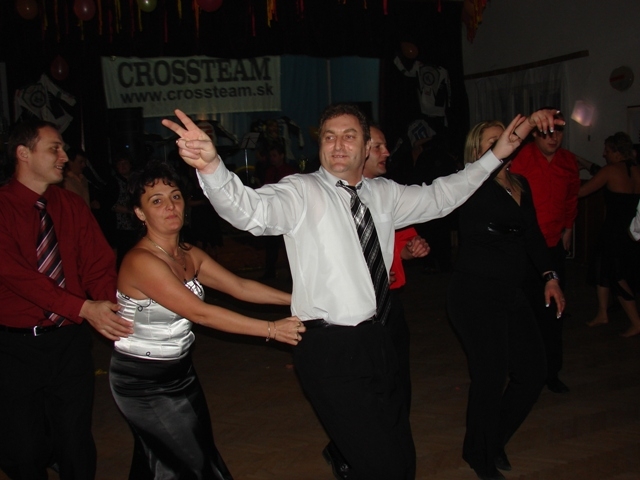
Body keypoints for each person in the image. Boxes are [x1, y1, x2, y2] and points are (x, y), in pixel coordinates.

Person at [162, 104, 556, 480]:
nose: (337, 145)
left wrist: (496, 155)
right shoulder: (300, 192)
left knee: (400, 459)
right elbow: (248, 210)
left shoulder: (383, 194)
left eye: (349, 136)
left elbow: (442, 195)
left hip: (378, 337)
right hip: (329, 348)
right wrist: (212, 167)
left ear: (366, 147)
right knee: (382, 465)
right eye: (329, 136)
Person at [110, 160, 303, 480]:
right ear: (140, 213)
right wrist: (271, 329)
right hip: (142, 381)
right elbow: (200, 313)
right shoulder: (141, 261)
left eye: (175, 196)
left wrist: (300, 301)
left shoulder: (188, 253)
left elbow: (240, 287)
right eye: (156, 201)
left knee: (162, 460)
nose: (170, 206)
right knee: (195, 464)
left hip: (180, 372)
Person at [0, 120, 133, 480]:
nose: (64, 156)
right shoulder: (3, 208)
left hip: (69, 342)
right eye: (54, 148)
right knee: (24, 449)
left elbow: (97, 265)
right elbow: (15, 274)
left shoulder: (70, 205)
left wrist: (112, 312)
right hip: (15, 348)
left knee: (75, 441)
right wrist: (83, 308)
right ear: (23, 153)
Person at [448, 116, 565, 480]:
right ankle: (480, 455)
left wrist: (550, 276)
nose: (505, 142)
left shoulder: (520, 184)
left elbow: (533, 237)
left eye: (508, 136)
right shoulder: (469, 184)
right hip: (474, 295)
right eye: (493, 140)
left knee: (533, 373)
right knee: (490, 375)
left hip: (510, 293)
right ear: (477, 152)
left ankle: (490, 439)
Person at [321, 125, 431, 479]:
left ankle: (384, 455)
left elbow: (402, 245)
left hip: (389, 305)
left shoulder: (389, 194)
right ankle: (346, 451)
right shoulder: (330, 200)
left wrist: (410, 251)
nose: (386, 153)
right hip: (351, 316)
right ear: (363, 151)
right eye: (379, 147)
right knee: (359, 395)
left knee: (397, 387)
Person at [510, 109, 580, 394]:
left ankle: (551, 372)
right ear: (535, 134)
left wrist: (568, 228)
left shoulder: (569, 161)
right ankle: (524, 373)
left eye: (558, 132)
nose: (553, 138)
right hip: (524, 248)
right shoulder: (520, 158)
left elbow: (571, 198)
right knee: (524, 313)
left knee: (553, 313)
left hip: (552, 247)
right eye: (547, 133)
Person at [577, 132, 640, 337]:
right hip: (631, 232)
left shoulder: (611, 170)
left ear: (616, 152)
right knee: (603, 268)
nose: (604, 154)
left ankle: (636, 322)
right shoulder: (637, 170)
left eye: (607, 150)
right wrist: (582, 161)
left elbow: (581, 192)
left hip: (614, 231)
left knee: (617, 275)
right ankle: (602, 313)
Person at [262, 143, 297, 279]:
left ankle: (292, 275)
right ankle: (269, 272)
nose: (272, 158)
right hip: (274, 212)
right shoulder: (270, 171)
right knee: (271, 245)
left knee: (289, 246)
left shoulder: (290, 172)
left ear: (282, 156)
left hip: (287, 212)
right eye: (271, 156)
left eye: (274, 155)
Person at [112, 153, 138, 268]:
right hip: (121, 227)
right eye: (120, 164)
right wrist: (130, 210)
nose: (122, 166)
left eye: (125, 163)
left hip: (136, 224)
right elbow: (109, 204)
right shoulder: (113, 182)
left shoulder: (136, 180)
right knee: (124, 256)